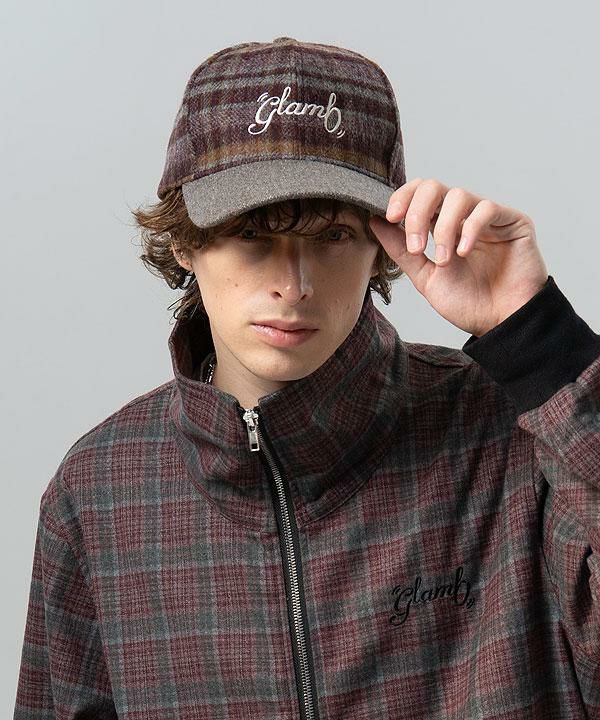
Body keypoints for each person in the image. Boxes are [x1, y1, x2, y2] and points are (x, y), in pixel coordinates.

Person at [13, 36, 600, 720]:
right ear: (184, 241)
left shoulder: (518, 427)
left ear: (384, 242)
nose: (294, 285)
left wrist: (540, 338)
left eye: (333, 237)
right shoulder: (97, 493)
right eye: (254, 235)